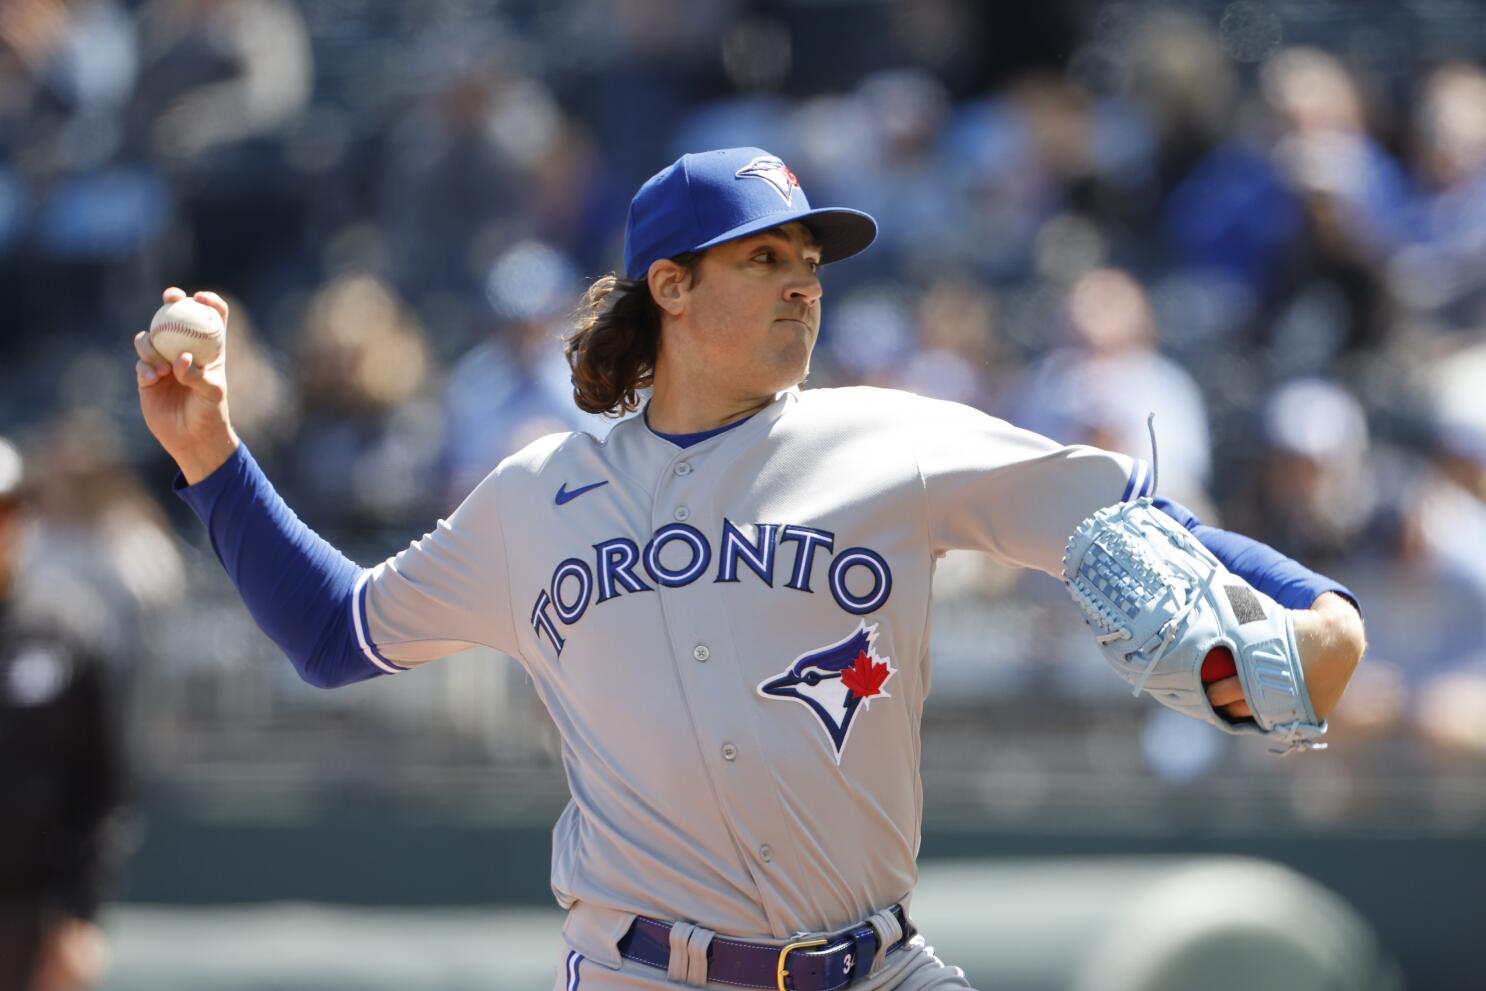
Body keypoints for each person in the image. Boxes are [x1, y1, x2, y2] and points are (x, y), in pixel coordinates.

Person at [133, 147, 1366, 990]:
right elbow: (331, 631)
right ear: (670, 286)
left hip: (872, 963)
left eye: (810, 263)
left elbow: (1129, 521)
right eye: (764, 259)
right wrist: (210, 454)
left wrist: (1319, 606)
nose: (802, 284)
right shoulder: (534, 497)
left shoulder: (900, 438)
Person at [0, 437, 126, 991]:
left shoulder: (68, 629)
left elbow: (102, 789)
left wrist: (80, 920)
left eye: (6, 508)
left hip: (28, 913)